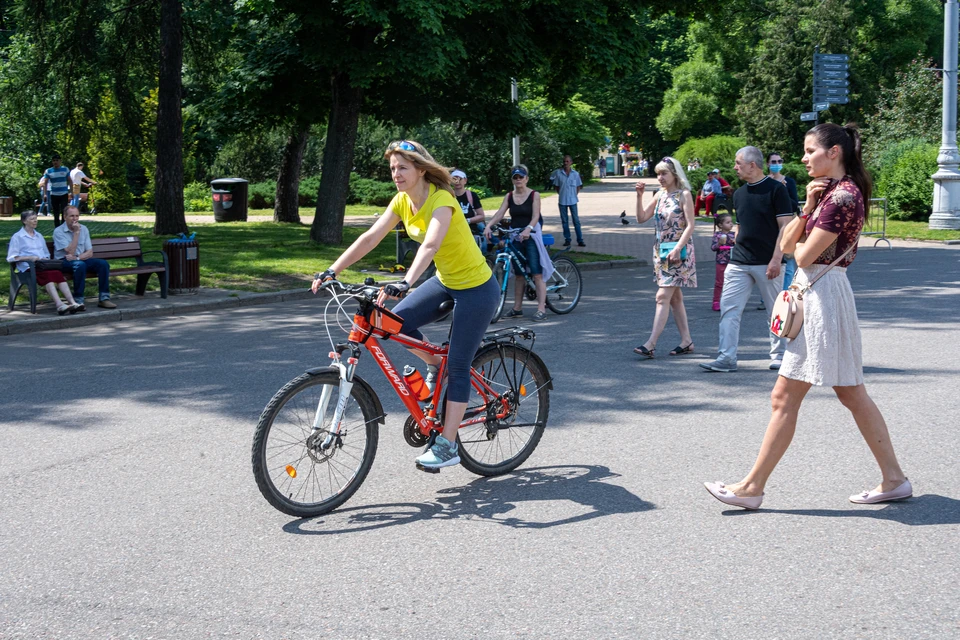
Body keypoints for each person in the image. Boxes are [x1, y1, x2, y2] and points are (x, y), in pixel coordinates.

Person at [704, 122, 911, 510]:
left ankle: (752, 488)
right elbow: (783, 244)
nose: (803, 157)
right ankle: (894, 478)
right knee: (844, 393)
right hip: (815, 293)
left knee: (809, 394)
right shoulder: (826, 193)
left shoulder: (844, 197)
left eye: (810, 150)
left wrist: (810, 214)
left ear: (834, 152)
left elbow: (802, 255)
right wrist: (808, 208)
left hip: (823, 296)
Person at [310, 140, 499, 471]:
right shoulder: (401, 202)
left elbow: (431, 243)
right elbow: (370, 237)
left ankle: (447, 445)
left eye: (402, 168)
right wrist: (332, 270)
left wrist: (406, 281)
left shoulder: (443, 200)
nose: (396, 174)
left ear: (421, 170)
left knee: (458, 365)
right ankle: (433, 362)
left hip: (477, 289)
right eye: (393, 169)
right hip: (446, 281)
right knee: (388, 322)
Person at [700, 146, 792, 373]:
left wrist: (776, 259)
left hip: (767, 261)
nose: (734, 167)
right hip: (739, 261)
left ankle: (779, 355)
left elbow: (786, 227)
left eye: (738, 162)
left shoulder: (776, 190)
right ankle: (726, 358)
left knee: (775, 311)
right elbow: (740, 226)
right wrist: (730, 243)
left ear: (753, 164)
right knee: (729, 309)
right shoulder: (739, 194)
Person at [632, 156, 696, 358]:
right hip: (661, 252)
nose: (660, 177)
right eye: (658, 174)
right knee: (675, 298)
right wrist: (639, 196)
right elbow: (642, 218)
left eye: (664, 173)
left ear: (674, 174)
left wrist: (677, 248)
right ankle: (687, 341)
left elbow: (691, 225)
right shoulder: (660, 195)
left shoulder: (684, 195)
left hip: (678, 252)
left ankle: (650, 343)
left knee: (662, 297)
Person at [484, 165, 553, 321]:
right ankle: (517, 308)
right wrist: (488, 225)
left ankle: (541, 308)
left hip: (531, 235)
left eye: (521, 177)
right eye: (515, 177)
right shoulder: (509, 196)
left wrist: (528, 229)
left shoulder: (534, 195)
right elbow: (500, 213)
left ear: (526, 178)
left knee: (536, 272)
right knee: (519, 274)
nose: (518, 180)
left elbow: (536, 216)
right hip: (516, 235)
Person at [6, 210, 81, 315]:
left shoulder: (39, 236)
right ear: (24, 221)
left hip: (42, 265)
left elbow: (46, 253)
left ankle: (72, 303)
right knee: (48, 276)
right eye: (32, 219)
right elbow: (11, 258)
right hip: (28, 267)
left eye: (36, 218)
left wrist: (45, 259)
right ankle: (59, 305)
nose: (35, 221)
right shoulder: (17, 237)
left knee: (57, 273)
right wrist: (29, 258)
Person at [53, 205, 117, 310]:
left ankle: (104, 298)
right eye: (71, 216)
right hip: (63, 262)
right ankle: (78, 300)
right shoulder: (59, 231)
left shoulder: (84, 229)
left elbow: (89, 252)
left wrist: (77, 257)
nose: (75, 219)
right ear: (65, 217)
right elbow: (70, 252)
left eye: (77, 216)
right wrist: (76, 233)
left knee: (103, 264)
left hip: (79, 259)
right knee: (80, 265)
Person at [767, 152, 801, 289]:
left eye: (779, 161)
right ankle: (769, 297)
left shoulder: (789, 182)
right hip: (769, 226)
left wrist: (782, 189)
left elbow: (794, 204)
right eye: (773, 162)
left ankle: (786, 293)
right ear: (767, 164)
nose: (777, 165)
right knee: (770, 261)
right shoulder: (765, 182)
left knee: (788, 261)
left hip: (787, 226)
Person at [551, 155, 584, 247]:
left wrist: (574, 194)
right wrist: (562, 193)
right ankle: (567, 239)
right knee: (564, 221)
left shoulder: (575, 174)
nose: (566, 163)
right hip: (562, 201)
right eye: (564, 161)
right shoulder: (559, 174)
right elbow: (556, 186)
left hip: (573, 200)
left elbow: (578, 186)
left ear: (571, 162)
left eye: (567, 161)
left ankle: (580, 240)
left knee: (576, 220)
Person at [710, 213, 736, 312]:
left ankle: (730, 302)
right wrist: (720, 243)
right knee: (719, 282)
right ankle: (716, 301)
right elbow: (713, 248)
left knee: (733, 282)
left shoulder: (734, 235)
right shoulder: (717, 235)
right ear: (720, 225)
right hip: (721, 262)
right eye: (728, 222)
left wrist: (736, 242)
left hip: (733, 262)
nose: (731, 224)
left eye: (731, 222)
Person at [40, 154, 73, 227]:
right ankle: (57, 228)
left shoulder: (65, 169)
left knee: (64, 211)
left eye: (57, 160)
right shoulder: (49, 171)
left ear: (60, 161)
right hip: (54, 194)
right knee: (56, 212)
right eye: (54, 161)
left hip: (64, 193)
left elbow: (70, 181)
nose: (55, 162)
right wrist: (45, 194)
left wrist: (71, 192)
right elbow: (45, 183)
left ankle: (64, 226)